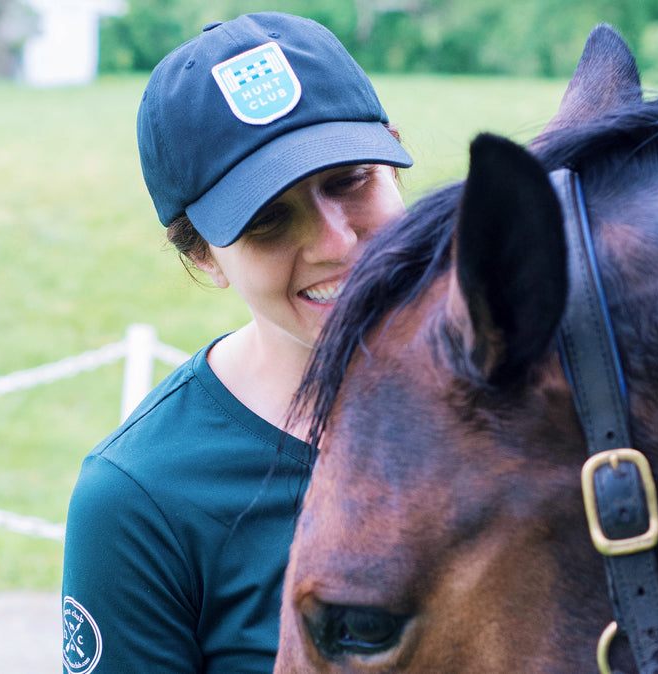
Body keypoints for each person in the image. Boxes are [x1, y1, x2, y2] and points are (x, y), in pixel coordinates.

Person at [60, 12, 412, 673]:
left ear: (394, 154)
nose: (336, 242)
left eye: (349, 180)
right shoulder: (141, 496)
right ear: (202, 258)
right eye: (269, 219)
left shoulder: (533, 386)